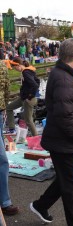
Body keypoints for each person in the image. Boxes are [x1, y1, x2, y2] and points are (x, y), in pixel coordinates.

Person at [30, 38, 73, 225]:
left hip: (60, 139)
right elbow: (65, 115)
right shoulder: (63, 78)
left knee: (66, 180)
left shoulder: (60, 73)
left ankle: (40, 205)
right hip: (64, 142)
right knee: (70, 185)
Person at [0, 60, 19, 216]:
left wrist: (4, 107)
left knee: (2, 159)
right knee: (2, 159)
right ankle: (5, 202)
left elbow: (6, 89)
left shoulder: (1, 65)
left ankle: (4, 202)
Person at [6, 57, 40, 136]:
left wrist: (30, 96)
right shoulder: (29, 70)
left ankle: (36, 138)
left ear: (18, 66)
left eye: (15, 68)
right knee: (9, 107)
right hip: (24, 97)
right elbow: (37, 81)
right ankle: (12, 129)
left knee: (28, 120)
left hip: (28, 99)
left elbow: (34, 85)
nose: (15, 70)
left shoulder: (26, 72)